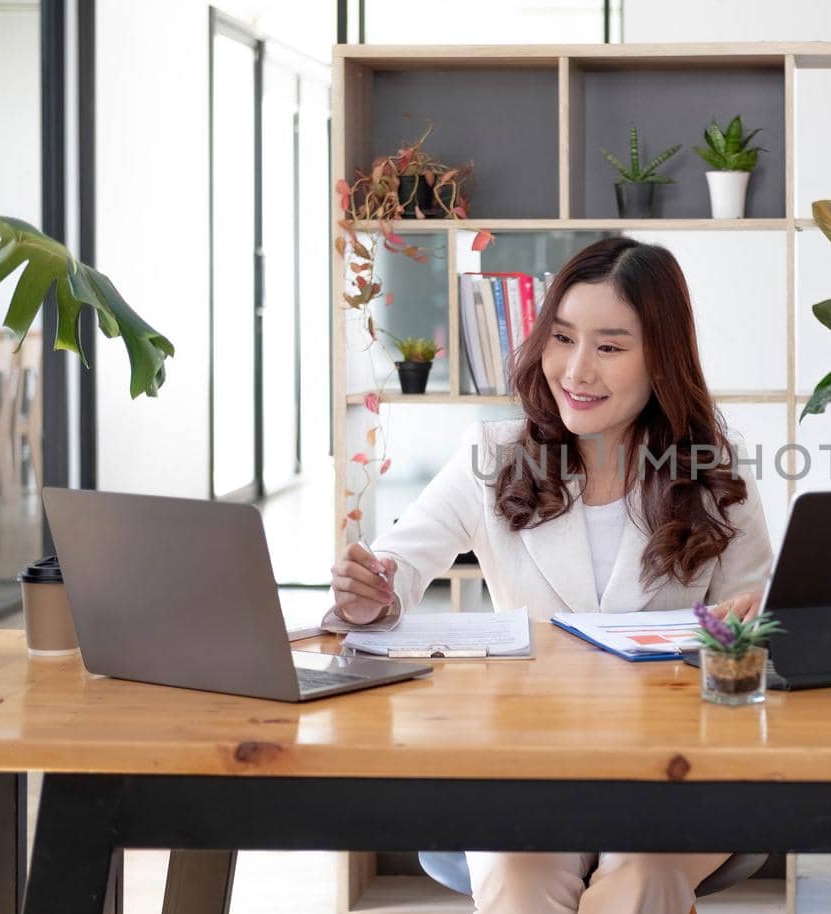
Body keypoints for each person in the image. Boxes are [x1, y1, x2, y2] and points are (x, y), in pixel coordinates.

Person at [328, 237, 772, 914]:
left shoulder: (717, 467)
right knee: (518, 882)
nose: (576, 370)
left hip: (680, 767)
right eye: (562, 337)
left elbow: (761, 618)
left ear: (663, 358)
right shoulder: (494, 456)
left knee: (644, 881)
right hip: (527, 762)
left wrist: (748, 629)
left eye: (611, 347)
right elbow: (397, 570)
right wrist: (370, 596)